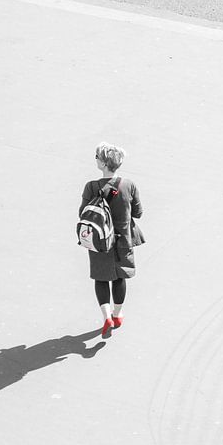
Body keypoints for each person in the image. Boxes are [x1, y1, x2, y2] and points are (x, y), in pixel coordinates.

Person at [79, 142, 144, 336]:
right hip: (123, 239)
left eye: (97, 157)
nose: (96, 160)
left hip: (99, 241)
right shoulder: (129, 185)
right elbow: (138, 213)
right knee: (119, 277)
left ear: (104, 163)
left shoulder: (91, 187)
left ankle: (106, 315)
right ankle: (117, 314)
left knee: (101, 278)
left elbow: (83, 213)